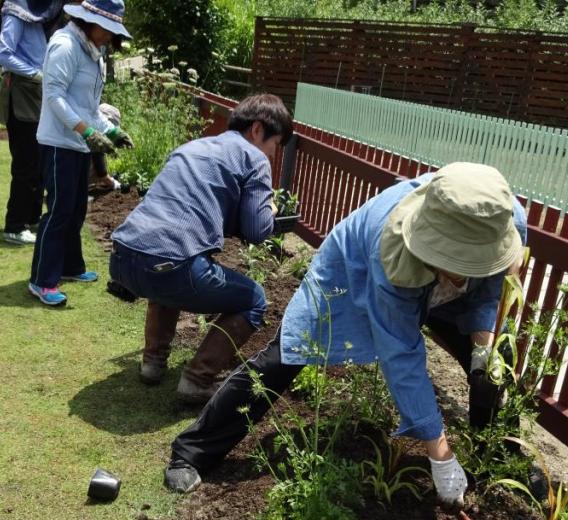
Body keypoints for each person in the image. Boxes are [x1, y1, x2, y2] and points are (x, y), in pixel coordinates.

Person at [162, 162, 528, 501]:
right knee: (286, 354)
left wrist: (484, 349)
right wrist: (440, 455)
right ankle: (193, 452)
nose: (458, 271)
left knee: (496, 365)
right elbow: (401, 354)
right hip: (353, 275)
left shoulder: (500, 219)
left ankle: (495, 455)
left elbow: (491, 291)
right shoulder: (392, 250)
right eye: (452, 262)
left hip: (443, 295)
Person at [108, 94, 293, 404]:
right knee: (254, 299)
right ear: (258, 130)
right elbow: (258, 230)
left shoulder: (192, 147)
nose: (273, 154)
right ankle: (197, 380)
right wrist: (271, 207)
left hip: (123, 256)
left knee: (169, 264)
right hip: (169, 267)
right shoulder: (254, 157)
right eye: (276, 145)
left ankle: (152, 364)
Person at [28, 0, 133, 307]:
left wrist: (111, 130)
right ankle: (42, 280)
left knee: (76, 209)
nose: (109, 37)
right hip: (59, 143)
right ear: (90, 22)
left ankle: (71, 267)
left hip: (77, 143)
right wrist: (86, 131)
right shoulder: (64, 45)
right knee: (59, 211)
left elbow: (88, 107)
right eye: (108, 29)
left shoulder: (91, 51)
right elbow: (55, 97)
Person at [0, 0, 65, 246]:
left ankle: (32, 217)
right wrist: (35, 73)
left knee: (38, 160)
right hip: (22, 93)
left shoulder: (40, 17)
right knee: (26, 163)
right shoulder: (16, 11)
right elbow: (4, 55)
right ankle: (14, 226)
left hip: (37, 94)